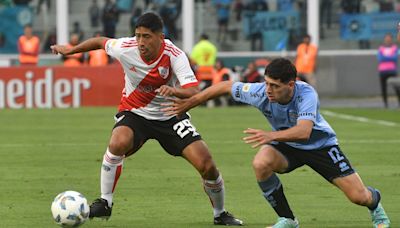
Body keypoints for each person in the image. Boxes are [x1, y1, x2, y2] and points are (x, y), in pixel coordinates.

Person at [50, 12, 243, 226]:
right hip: (136, 113)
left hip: (169, 115)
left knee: (206, 164)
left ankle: (220, 214)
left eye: (146, 37)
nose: (140, 42)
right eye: (138, 35)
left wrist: (175, 91)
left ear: (160, 37)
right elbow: (100, 41)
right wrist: (71, 50)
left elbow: (194, 91)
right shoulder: (126, 47)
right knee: (117, 142)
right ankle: (106, 201)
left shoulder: (174, 54)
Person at [162, 58, 391, 228]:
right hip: (287, 145)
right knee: (261, 163)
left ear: (291, 84)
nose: (268, 90)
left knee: (359, 197)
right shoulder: (260, 92)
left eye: (275, 86)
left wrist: (270, 136)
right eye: (267, 83)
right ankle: (288, 219)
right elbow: (225, 87)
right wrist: (192, 101)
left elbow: (303, 132)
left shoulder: (306, 94)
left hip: (320, 146)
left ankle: (375, 204)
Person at [377, 33, 398, 108]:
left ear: (391, 39)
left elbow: (395, 58)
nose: (388, 40)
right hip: (383, 71)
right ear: (384, 39)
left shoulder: (394, 48)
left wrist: (385, 57)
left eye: (389, 38)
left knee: (397, 87)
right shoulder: (381, 48)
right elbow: (380, 59)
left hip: (392, 70)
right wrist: (389, 57)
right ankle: (385, 104)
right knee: (383, 88)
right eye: (386, 38)